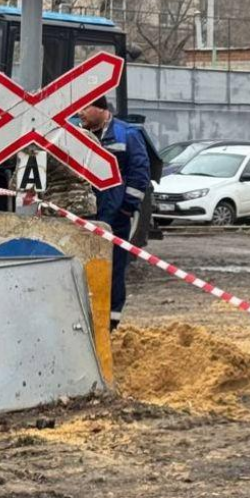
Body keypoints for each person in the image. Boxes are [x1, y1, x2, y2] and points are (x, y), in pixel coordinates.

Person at [79, 96, 152, 330]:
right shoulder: (77, 134)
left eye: (85, 107)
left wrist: (126, 208)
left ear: (101, 109)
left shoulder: (127, 134)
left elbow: (140, 173)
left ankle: (110, 323)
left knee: (114, 267)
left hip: (116, 216)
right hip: (84, 214)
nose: (80, 113)